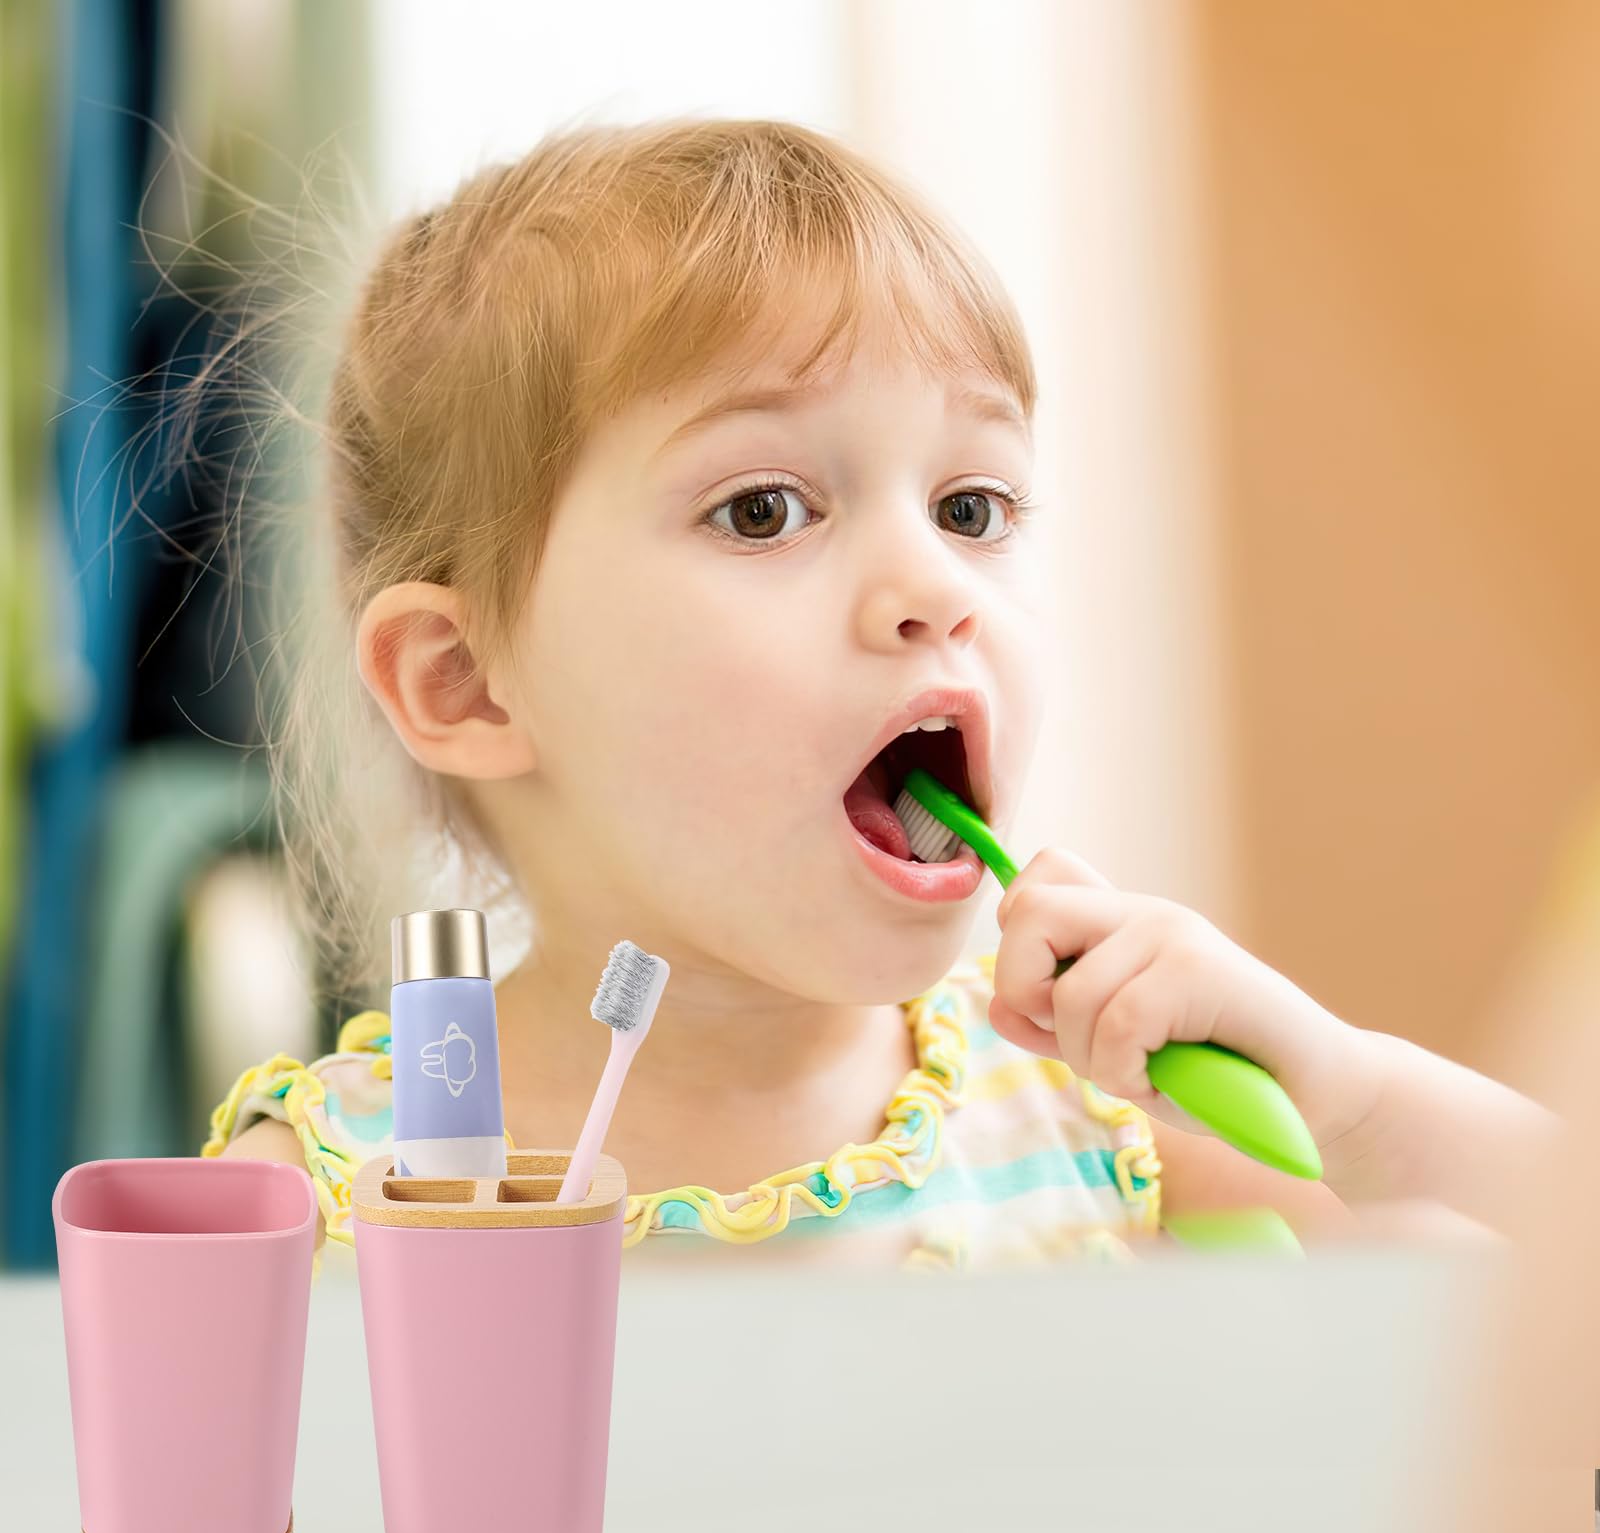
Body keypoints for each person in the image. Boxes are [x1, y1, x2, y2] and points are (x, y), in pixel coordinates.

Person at [201, 116, 1554, 1269]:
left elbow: (1554, 1298)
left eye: (973, 504)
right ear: (466, 685)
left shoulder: (1089, 1131)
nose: (935, 584)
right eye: (765, 509)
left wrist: (1349, 1091)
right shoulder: (322, 1209)